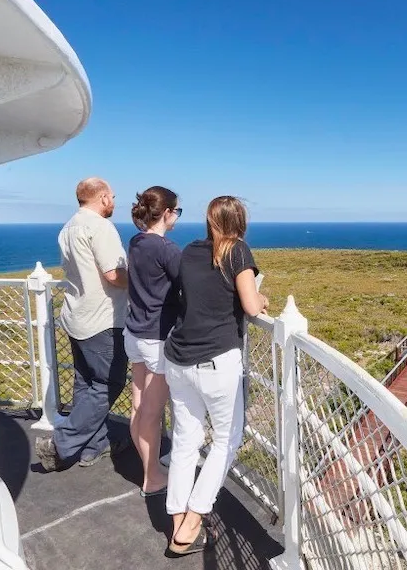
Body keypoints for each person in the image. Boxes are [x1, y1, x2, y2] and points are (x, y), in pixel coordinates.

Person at [162, 196, 268, 557]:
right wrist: (261, 297)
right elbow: (251, 305)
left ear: (209, 221)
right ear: (240, 222)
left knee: (185, 439)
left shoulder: (190, 250)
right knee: (226, 440)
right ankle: (194, 517)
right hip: (214, 362)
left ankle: (176, 522)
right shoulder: (237, 251)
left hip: (178, 359)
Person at [35, 177, 130, 471]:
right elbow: (113, 274)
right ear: (102, 197)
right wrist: (139, 283)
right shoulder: (100, 227)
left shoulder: (67, 229)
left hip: (76, 314)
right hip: (102, 318)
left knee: (86, 383)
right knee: (108, 384)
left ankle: (95, 445)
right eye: (112, 196)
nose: (114, 202)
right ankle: (62, 443)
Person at [125, 186, 183, 497]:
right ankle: (152, 478)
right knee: (151, 412)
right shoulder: (167, 249)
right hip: (157, 338)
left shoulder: (137, 242)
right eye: (177, 211)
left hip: (134, 333)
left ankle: (150, 467)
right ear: (168, 212)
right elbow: (189, 285)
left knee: (139, 406)